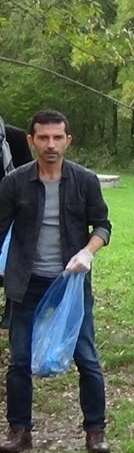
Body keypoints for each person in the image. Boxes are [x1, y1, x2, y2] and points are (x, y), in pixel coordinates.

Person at [0, 110, 112, 453]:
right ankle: (20, 430)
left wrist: (88, 252)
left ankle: (95, 431)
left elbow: (103, 227)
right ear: (31, 141)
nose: (51, 145)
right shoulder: (14, 183)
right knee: (19, 361)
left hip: (70, 287)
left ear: (68, 140)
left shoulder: (85, 180)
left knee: (88, 359)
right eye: (43, 138)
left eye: (57, 137)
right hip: (25, 284)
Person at [0, 116, 35, 329]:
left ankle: (10, 312)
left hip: (10, 208)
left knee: (12, 262)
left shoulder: (13, 136)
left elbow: (27, 172)